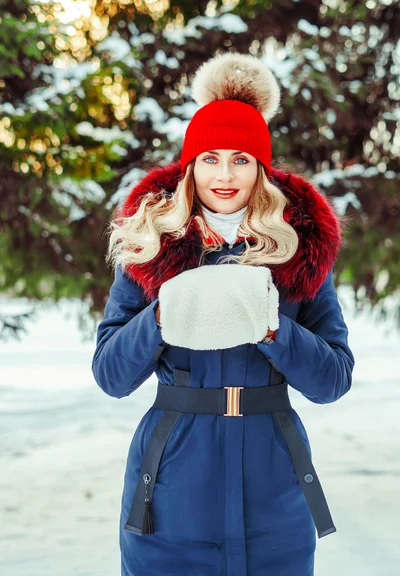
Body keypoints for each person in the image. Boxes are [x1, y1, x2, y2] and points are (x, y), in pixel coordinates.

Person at [91, 52, 355, 576]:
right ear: (191, 166)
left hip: (274, 486)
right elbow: (111, 375)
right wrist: (164, 313)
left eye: (241, 159)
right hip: (170, 488)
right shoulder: (151, 247)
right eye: (210, 158)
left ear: (261, 168)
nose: (225, 174)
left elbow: (333, 380)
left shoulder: (298, 252)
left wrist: (271, 325)